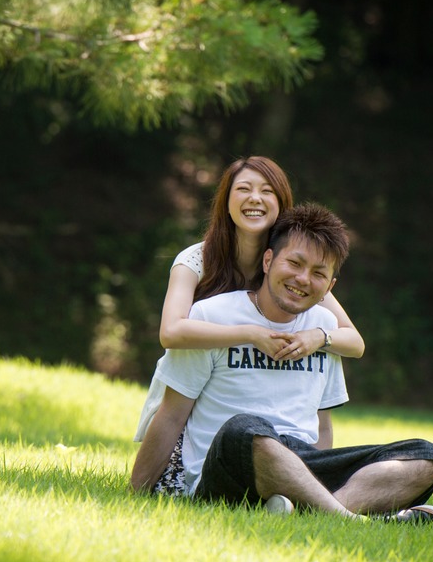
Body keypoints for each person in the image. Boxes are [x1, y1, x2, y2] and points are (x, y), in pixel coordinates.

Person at [129, 204, 433, 523]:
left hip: (301, 462)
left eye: (318, 273)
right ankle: (351, 518)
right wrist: (136, 490)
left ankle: (308, 507)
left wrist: (311, 476)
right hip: (227, 465)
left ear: (330, 286)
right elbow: (171, 413)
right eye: (295, 263)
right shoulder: (213, 316)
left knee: (425, 456)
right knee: (245, 429)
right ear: (268, 261)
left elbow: (322, 426)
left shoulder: (324, 330)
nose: (303, 279)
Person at [137, 155, 364, 494]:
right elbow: (171, 332)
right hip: (193, 389)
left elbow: (353, 341)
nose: (255, 198)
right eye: (243, 189)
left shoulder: (290, 269)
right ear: (226, 202)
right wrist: (251, 335)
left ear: (281, 204)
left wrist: (318, 336)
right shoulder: (195, 260)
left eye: (267, 191)